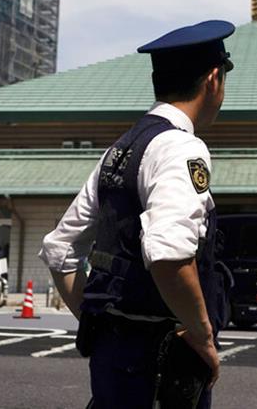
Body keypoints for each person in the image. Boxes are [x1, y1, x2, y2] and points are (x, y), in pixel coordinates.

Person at [38, 21, 236, 408]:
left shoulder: (121, 149)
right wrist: (202, 335)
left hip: (113, 358)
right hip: (162, 365)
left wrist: (100, 323)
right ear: (213, 79)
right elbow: (168, 254)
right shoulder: (181, 148)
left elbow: (60, 249)